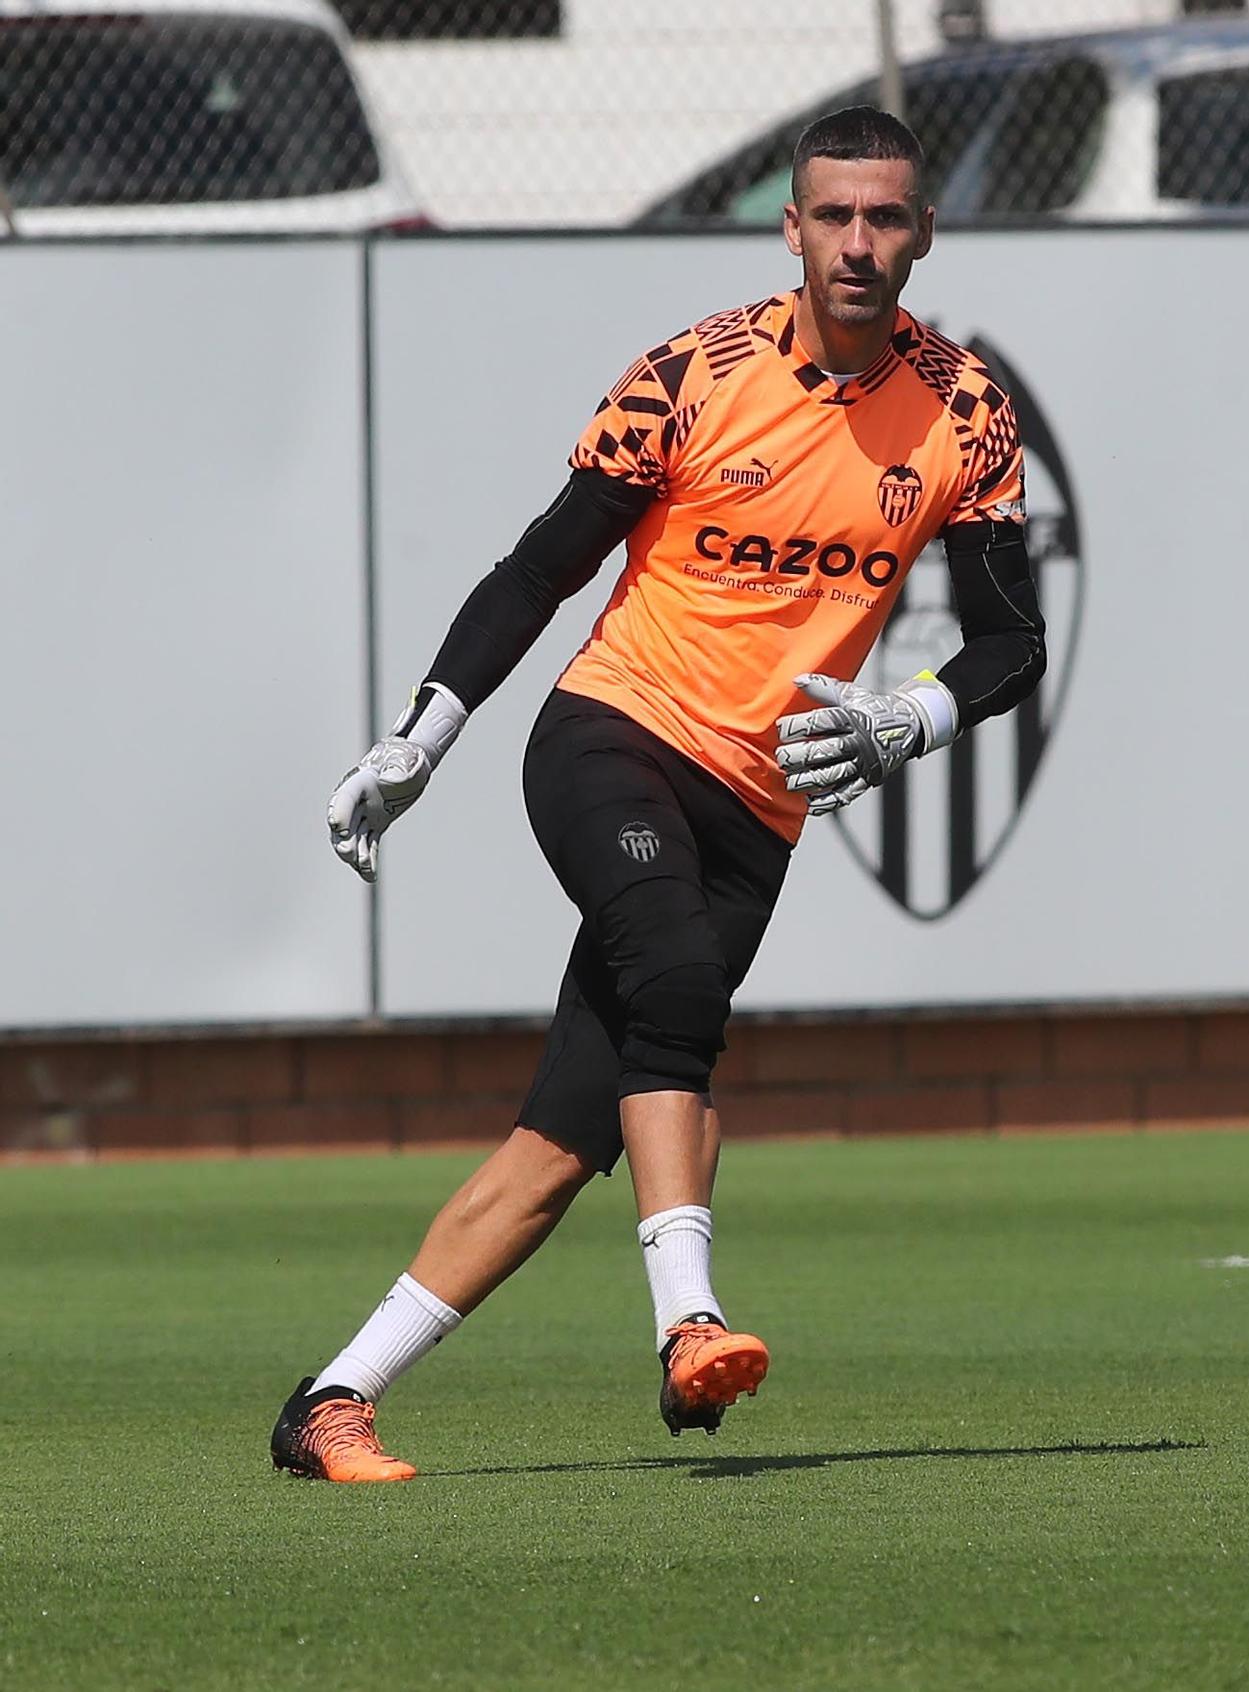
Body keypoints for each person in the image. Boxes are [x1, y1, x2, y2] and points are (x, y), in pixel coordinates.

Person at [270, 106, 1047, 1483]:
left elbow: (1009, 643)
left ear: (925, 233)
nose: (858, 244)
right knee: (677, 975)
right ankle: (690, 1322)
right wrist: (422, 739)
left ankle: (331, 1400)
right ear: (791, 226)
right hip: (612, 735)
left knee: (564, 1143)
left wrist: (906, 722)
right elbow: (537, 572)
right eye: (834, 216)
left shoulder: (971, 412)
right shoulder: (693, 374)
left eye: (886, 218)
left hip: (760, 805)